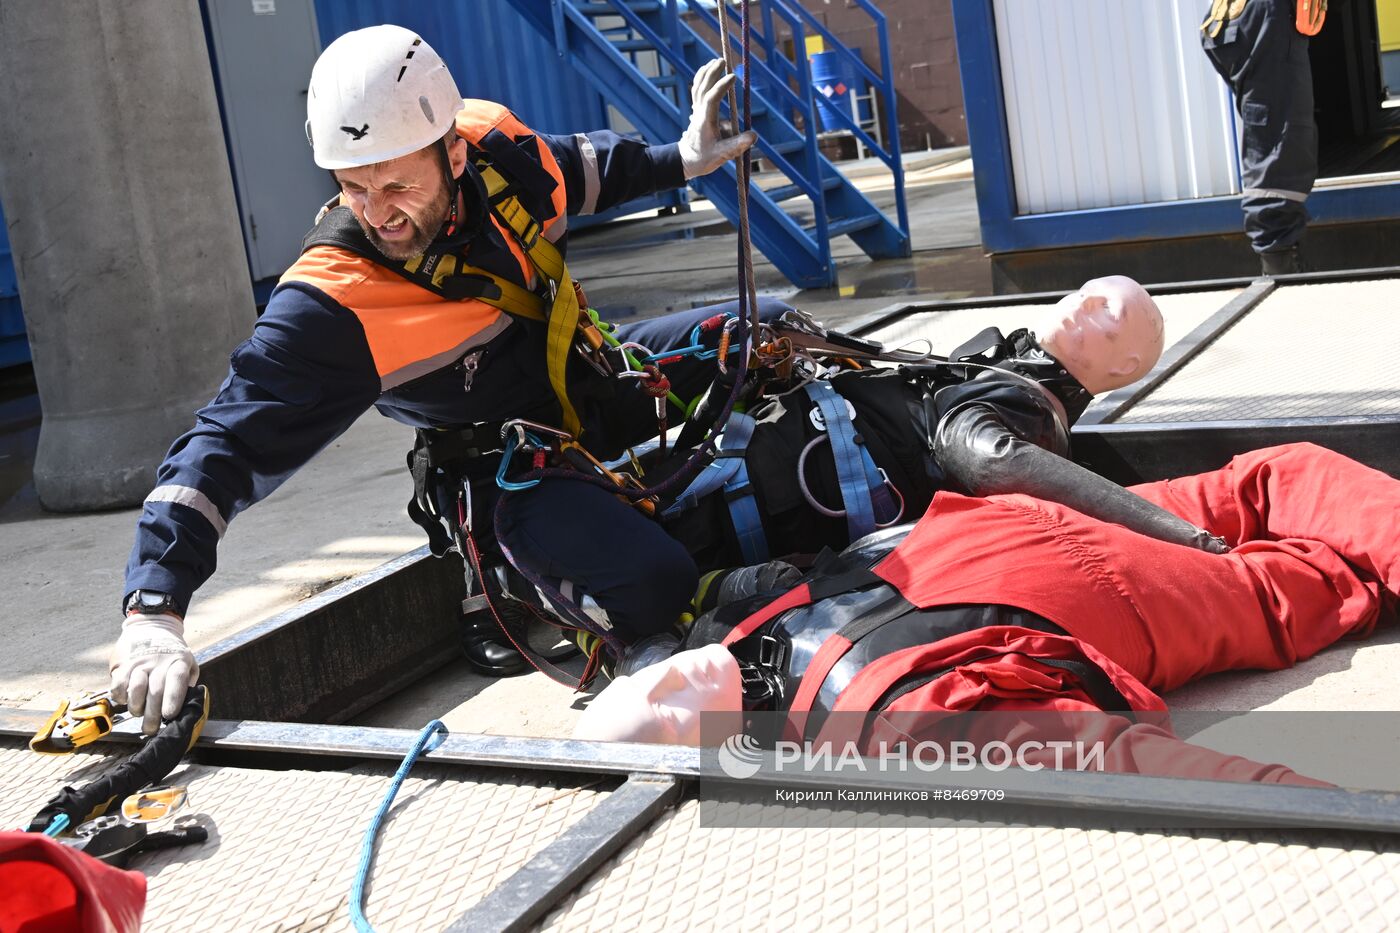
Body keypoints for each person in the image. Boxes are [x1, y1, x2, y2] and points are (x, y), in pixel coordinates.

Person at [109, 24, 764, 733]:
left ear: (454, 153)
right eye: (353, 186)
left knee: (763, 339)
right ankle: (515, 582)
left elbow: (580, 168)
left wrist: (683, 157)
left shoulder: (498, 148)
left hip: (586, 380)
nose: (378, 211)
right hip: (510, 474)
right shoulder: (334, 302)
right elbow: (225, 441)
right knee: (657, 584)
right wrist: (154, 605)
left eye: (395, 182)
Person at [578, 440, 1399, 788]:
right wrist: (1346, 810)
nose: (668, 679)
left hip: (1031, 523)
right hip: (1130, 584)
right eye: (664, 714)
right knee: (1332, 573)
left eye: (644, 682)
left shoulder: (745, 633)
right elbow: (1123, 764)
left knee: (1281, 472)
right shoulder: (900, 719)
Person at [659, 275, 1226, 588]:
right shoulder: (1004, 371)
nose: (1088, 300)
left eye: (1111, 312)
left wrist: (1186, 537)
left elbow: (989, 459)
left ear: (1124, 368)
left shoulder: (1031, 411)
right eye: (1090, 289)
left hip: (748, 495)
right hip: (741, 467)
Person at [1201, 0, 1324, 276]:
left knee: (1267, 128)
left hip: (1231, 16)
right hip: (1266, 15)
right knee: (1281, 140)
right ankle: (1281, 268)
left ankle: (1280, 256)